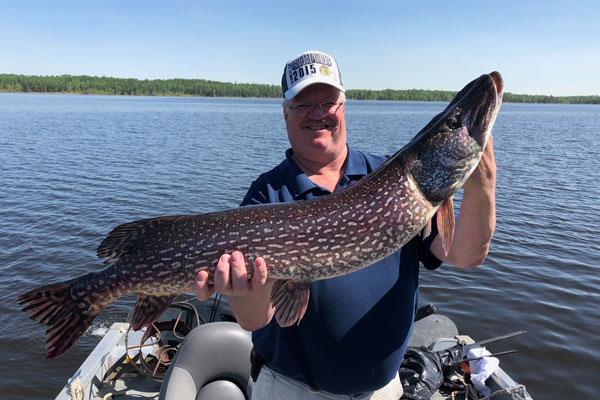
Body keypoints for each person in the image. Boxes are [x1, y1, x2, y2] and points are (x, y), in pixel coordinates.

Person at [192, 50, 496, 399]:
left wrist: (483, 185)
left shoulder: (390, 179)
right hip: (290, 390)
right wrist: (243, 286)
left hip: (383, 390)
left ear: (343, 106)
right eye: (304, 104)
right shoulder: (267, 194)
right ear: (286, 113)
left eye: (328, 102)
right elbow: (253, 320)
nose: (318, 114)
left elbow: (465, 255)